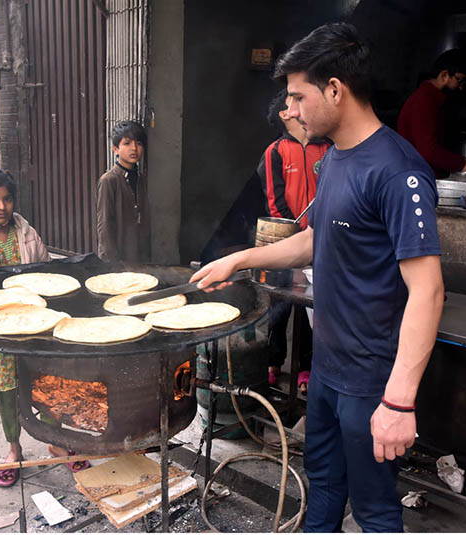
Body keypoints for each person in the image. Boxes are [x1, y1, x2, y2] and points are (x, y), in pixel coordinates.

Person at [190, 23, 444, 532]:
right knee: (323, 481)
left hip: (371, 377)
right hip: (328, 366)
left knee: (373, 508)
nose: (293, 110)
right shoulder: (335, 161)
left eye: (299, 96)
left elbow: (428, 290)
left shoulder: (397, 172)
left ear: (335, 90)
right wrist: (238, 259)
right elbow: (314, 238)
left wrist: (399, 399)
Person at [0, 169, 88, 487]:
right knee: (8, 393)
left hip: (36, 327)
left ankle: (56, 440)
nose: (1, 206)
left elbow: (46, 270)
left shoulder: (26, 233)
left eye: (7, 199)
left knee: (52, 383)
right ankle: (14, 449)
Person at [257, 88, 330, 394]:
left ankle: (305, 369)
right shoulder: (275, 151)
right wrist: (295, 231)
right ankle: (273, 362)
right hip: (286, 240)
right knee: (280, 307)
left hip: (319, 240)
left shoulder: (327, 148)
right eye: (293, 106)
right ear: (284, 115)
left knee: (309, 308)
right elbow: (275, 201)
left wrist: (314, 231)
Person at [397, 49, 466, 178]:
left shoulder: (434, 99)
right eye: (459, 80)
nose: (461, 87)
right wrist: (461, 164)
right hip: (417, 177)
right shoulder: (424, 100)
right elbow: (428, 151)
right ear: (444, 75)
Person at [96, 120, 150, 263]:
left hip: (139, 255)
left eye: (138, 143)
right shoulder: (109, 181)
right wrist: (112, 263)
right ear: (115, 149)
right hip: (117, 259)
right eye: (127, 143)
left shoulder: (142, 178)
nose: (134, 148)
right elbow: (105, 226)